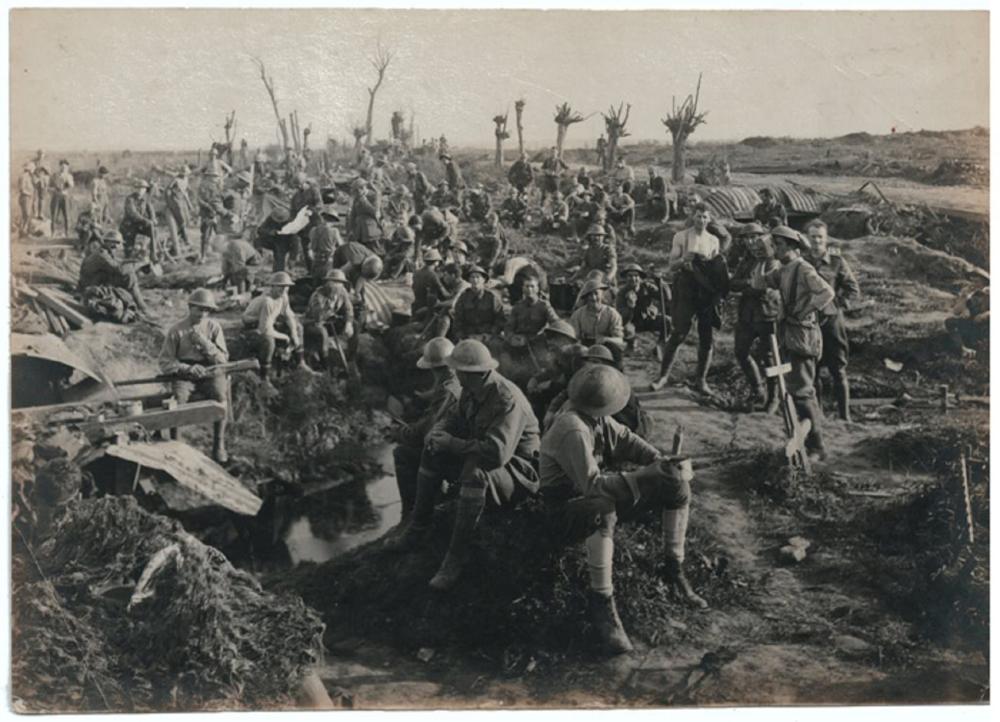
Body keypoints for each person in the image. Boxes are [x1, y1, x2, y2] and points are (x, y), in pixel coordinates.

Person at [539, 364, 705, 654]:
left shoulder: (597, 417)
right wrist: (644, 476)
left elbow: (627, 440)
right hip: (564, 509)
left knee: (677, 485)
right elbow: (592, 486)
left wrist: (661, 461)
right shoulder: (573, 428)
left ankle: (673, 568)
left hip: (593, 494)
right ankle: (602, 602)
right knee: (601, 508)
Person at [385, 339, 540, 591]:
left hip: (517, 471)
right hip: (481, 453)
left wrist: (452, 443)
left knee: (475, 474)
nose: (454, 374)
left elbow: (497, 453)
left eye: (459, 371)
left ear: (475, 373)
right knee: (431, 452)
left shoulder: (506, 400)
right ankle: (417, 527)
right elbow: (453, 417)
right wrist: (439, 433)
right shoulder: (472, 388)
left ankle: (455, 558)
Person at [753, 226, 835, 460]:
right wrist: (763, 259)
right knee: (792, 389)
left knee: (802, 391)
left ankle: (817, 447)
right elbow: (759, 284)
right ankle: (805, 441)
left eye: (778, 245)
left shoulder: (803, 268)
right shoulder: (784, 269)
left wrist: (804, 309)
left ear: (790, 246)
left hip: (802, 338)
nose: (775, 249)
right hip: (787, 337)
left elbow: (827, 293)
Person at [651, 203, 729, 394]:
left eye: (705, 217)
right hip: (686, 288)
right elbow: (671, 265)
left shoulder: (713, 241)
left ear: (709, 219)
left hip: (705, 292)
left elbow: (716, 270)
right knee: (679, 333)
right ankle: (663, 377)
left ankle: (701, 381)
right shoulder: (682, 236)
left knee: (706, 336)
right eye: (698, 216)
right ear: (692, 217)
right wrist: (685, 259)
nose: (701, 220)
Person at [392, 338, 462, 521]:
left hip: (455, 454)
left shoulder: (447, 388)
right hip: (461, 447)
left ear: (433, 369)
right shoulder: (456, 378)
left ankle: (411, 513)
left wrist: (401, 432)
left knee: (402, 453)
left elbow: (427, 429)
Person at [158, 288, 230, 462]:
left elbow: (223, 359)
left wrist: (205, 344)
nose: (203, 313)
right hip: (184, 372)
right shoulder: (176, 330)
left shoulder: (213, 327)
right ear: (190, 307)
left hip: (210, 370)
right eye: (199, 309)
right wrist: (187, 369)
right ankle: (176, 444)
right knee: (178, 399)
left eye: (207, 310)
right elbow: (165, 362)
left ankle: (218, 444)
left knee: (220, 395)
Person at [806, 220, 860, 422]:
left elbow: (852, 288)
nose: (816, 241)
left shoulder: (837, 262)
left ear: (826, 239)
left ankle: (845, 417)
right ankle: (818, 416)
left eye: (820, 237)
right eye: (813, 237)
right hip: (809, 322)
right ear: (807, 238)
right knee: (813, 370)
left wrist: (836, 304)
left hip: (831, 322)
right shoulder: (801, 262)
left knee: (838, 369)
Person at [730, 230, 783, 412]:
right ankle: (758, 389)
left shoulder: (773, 261)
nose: (753, 244)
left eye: (756, 239)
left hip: (768, 314)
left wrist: (750, 286)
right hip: (747, 314)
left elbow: (763, 288)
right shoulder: (747, 261)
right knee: (741, 351)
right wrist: (748, 284)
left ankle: (774, 397)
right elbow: (733, 283)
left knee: (770, 357)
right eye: (748, 239)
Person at [241, 271, 306, 380]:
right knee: (268, 341)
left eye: (287, 287)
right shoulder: (267, 301)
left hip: (268, 322)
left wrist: (294, 334)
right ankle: (264, 376)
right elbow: (265, 330)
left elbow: (289, 316)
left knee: (298, 327)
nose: (284, 289)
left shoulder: (283, 296)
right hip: (252, 327)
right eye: (280, 286)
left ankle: (301, 363)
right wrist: (285, 337)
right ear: (272, 286)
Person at [303, 269, 356, 374]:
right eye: (334, 282)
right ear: (327, 282)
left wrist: (348, 323)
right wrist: (328, 303)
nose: (337, 285)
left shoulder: (342, 292)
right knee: (322, 334)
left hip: (330, 321)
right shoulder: (317, 295)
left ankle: (351, 359)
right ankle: (325, 365)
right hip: (314, 323)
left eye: (340, 283)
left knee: (355, 324)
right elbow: (318, 317)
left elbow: (348, 309)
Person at [616, 263, 667, 354]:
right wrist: (630, 307)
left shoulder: (647, 287)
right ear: (625, 278)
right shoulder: (621, 293)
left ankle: (660, 345)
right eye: (630, 276)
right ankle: (631, 343)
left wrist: (659, 281)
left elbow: (665, 297)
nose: (633, 278)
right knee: (625, 329)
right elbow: (621, 316)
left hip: (648, 319)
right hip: (633, 322)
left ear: (640, 278)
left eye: (636, 276)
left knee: (668, 322)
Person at [570, 279, 625, 356]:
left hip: (606, 347)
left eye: (596, 294)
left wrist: (605, 339)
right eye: (590, 295)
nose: (593, 298)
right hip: (586, 347)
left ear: (602, 295)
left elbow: (619, 340)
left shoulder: (612, 314)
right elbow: (574, 338)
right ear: (585, 297)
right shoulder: (578, 315)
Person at [453, 265, 506, 339]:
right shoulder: (463, 298)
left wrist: (491, 334)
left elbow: (500, 319)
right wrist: (463, 336)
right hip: (469, 336)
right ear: (469, 280)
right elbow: (457, 320)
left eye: (478, 277)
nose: (475, 280)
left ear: (483, 280)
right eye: (472, 277)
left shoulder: (492, 297)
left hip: (488, 336)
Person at [505, 273, 560, 342]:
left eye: (532, 286)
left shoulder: (544, 306)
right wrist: (512, 337)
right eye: (527, 286)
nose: (529, 289)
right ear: (523, 288)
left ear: (537, 288)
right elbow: (509, 327)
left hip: (537, 340)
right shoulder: (517, 307)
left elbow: (556, 322)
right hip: (519, 339)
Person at [289, 173, 324, 271]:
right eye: (297, 186)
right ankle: (310, 271)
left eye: (300, 185)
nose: (299, 187)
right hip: (303, 228)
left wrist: (311, 210)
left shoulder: (314, 191)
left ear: (305, 182)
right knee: (306, 250)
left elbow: (320, 205)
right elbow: (292, 211)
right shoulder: (296, 196)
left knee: (316, 249)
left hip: (314, 224)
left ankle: (318, 271)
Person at [946, 282, 990, 359]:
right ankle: (963, 349)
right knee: (950, 322)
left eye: (976, 278)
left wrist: (986, 314)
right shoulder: (972, 293)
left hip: (984, 325)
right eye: (971, 277)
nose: (973, 280)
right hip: (971, 324)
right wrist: (964, 300)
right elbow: (956, 311)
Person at [119, 180, 156, 258]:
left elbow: (150, 209)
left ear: (145, 190)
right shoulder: (130, 199)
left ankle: (153, 254)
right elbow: (132, 213)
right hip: (128, 226)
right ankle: (128, 260)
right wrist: (145, 220)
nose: (140, 190)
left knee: (153, 230)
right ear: (135, 189)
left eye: (143, 188)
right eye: (139, 188)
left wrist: (153, 219)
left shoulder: (145, 199)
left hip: (139, 225)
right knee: (129, 249)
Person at [165, 166, 196, 256]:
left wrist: (189, 204)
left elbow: (185, 193)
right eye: (184, 173)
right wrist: (170, 200)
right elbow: (168, 189)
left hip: (182, 199)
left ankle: (182, 236)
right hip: (175, 199)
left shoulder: (186, 180)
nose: (185, 175)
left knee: (185, 218)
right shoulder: (176, 179)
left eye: (186, 174)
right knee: (180, 217)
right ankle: (184, 237)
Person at [308, 205, 344, 280]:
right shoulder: (334, 231)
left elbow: (310, 246)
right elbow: (341, 246)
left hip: (316, 260)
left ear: (322, 218)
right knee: (327, 281)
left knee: (315, 281)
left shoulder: (313, 230)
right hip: (328, 261)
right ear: (333, 220)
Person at [50, 159, 74, 237]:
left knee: (67, 215)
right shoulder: (55, 175)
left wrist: (66, 181)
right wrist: (54, 189)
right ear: (59, 166)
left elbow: (71, 186)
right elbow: (50, 186)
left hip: (65, 196)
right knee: (54, 215)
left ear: (67, 167)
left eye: (65, 167)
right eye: (62, 166)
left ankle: (67, 232)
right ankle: (53, 232)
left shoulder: (69, 176)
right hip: (56, 196)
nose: (63, 168)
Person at [17, 161, 35, 237]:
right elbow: (22, 189)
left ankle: (26, 232)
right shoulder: (24, 177)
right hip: (25, 198)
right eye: (32, 169)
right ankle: (23, 232)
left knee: (28, 215)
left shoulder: (28, 177)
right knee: (26, 215)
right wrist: (30, 194)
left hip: (28, 198)